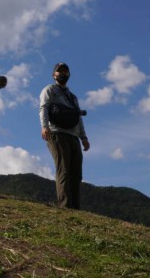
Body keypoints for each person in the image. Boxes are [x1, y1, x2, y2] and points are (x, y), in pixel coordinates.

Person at [39, 62, 90, 209]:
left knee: (76, 173)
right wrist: (44, 126)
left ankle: (75, 207)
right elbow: (44, 108)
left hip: (73, 136)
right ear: (53, 74)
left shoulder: (73, 97)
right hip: (56, 134)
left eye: (65, 71)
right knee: (64, 170)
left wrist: (84, 138)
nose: (62, 73)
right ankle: (65, 207)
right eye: (59, 71)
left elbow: (78, 118)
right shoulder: (50, 90)